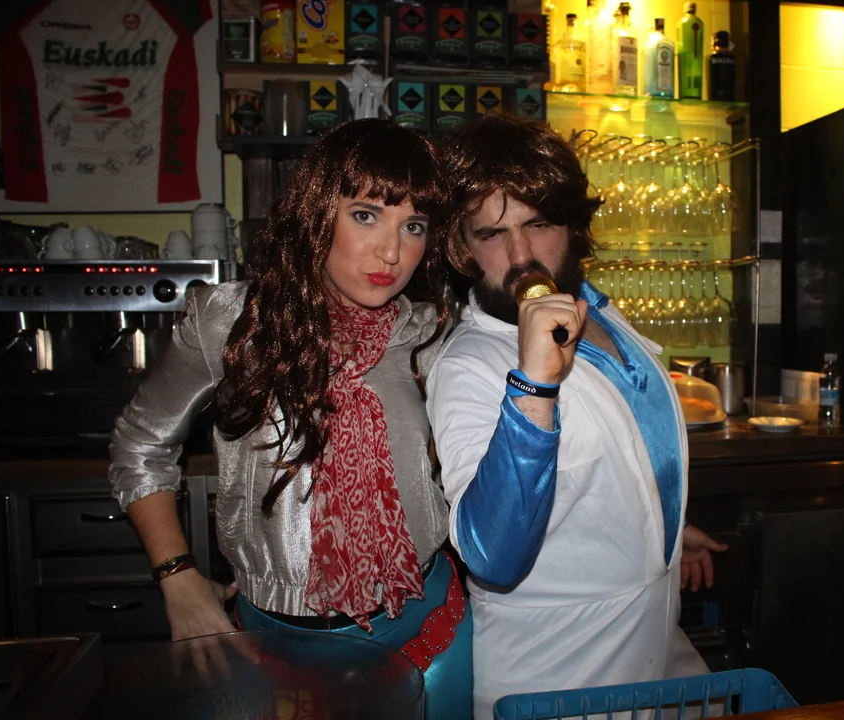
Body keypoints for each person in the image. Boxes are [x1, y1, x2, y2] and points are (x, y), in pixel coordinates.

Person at [109, 119, 472, 720]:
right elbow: (139, 447)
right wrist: (176, 574)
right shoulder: (231, 323)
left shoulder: (430, 334)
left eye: (413, 226)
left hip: (429, 627)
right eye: (365, 215)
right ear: (316, 213)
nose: (392, 252)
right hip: (277, 644)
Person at [427, 113, 728, 719]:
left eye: (537, 223)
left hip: (654, 651)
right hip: (556, 677)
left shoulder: (599, 313)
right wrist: (535, 383)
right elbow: (491, 556)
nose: (520, 256)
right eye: (491, 234)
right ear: (463, 248)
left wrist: (659, 527)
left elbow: (616, 450)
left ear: (572, 224)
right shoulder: (469, 366)